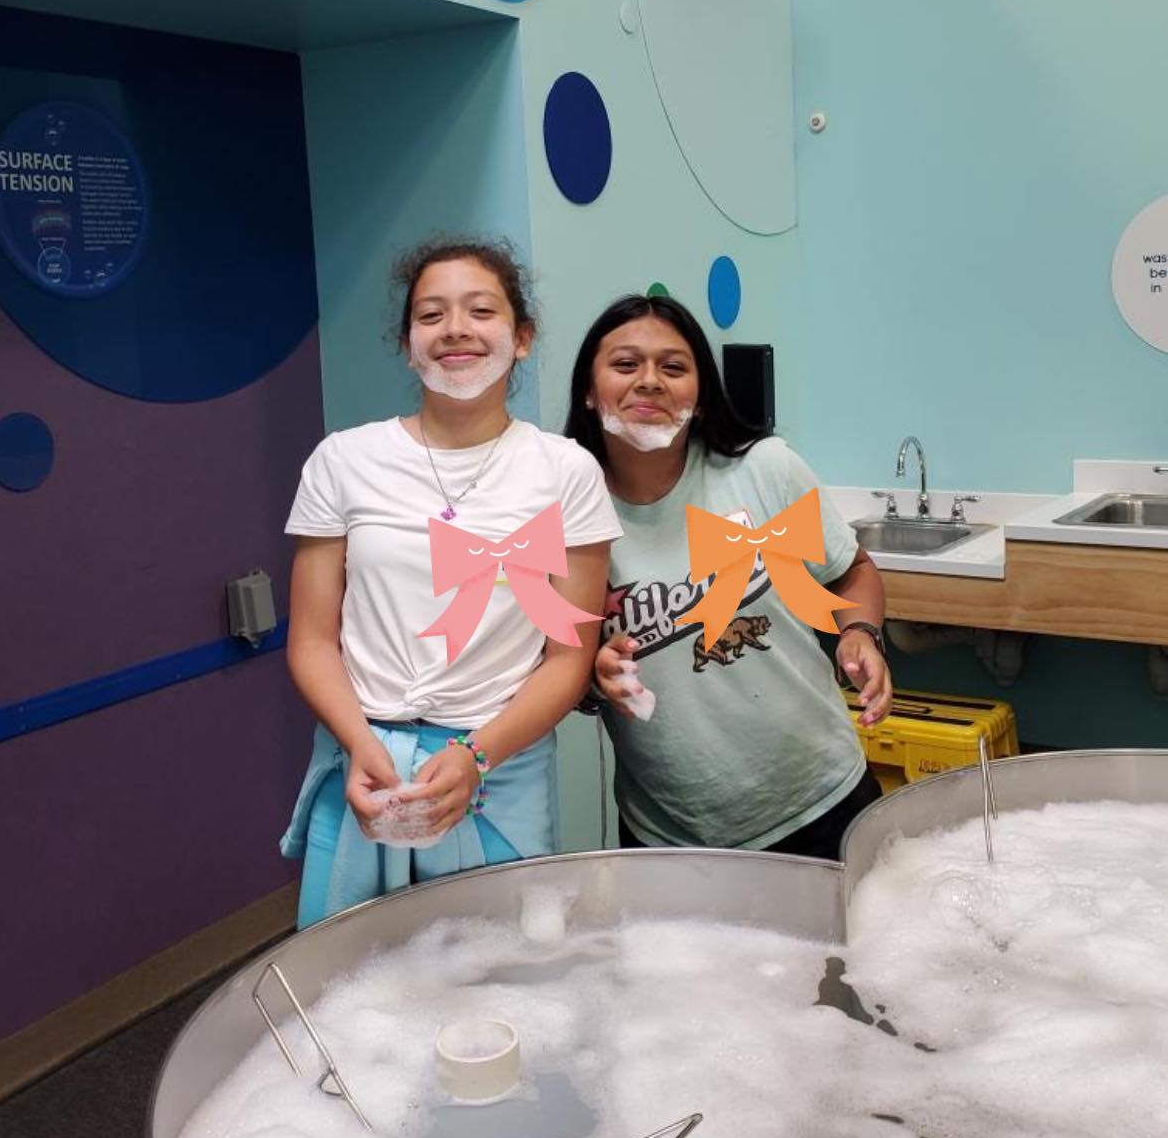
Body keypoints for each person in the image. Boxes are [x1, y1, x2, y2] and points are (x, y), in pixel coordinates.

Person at [281, 238, 621, 925]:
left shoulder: (565, 472)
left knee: (501, 973)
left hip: (498, 771)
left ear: (522, 337)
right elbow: (312, 640)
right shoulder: (343, 460)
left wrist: (474, 757)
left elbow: (568, 659)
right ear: (407, 344)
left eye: (481, 311)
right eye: (431, 315)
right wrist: (361, 743)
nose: (456, 329)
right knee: (351, 971)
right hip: (364, 765)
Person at [565, 293, 892, 861]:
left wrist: (859, 632)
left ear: (701, 396)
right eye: (626, 364)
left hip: (824, 799)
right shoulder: (566, 515)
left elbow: (852, 572)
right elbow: (560, 667)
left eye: (673, 367)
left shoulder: (764, 470)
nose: (650, 381)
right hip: (672, 836)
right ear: (589, 392)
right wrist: (593, 678)